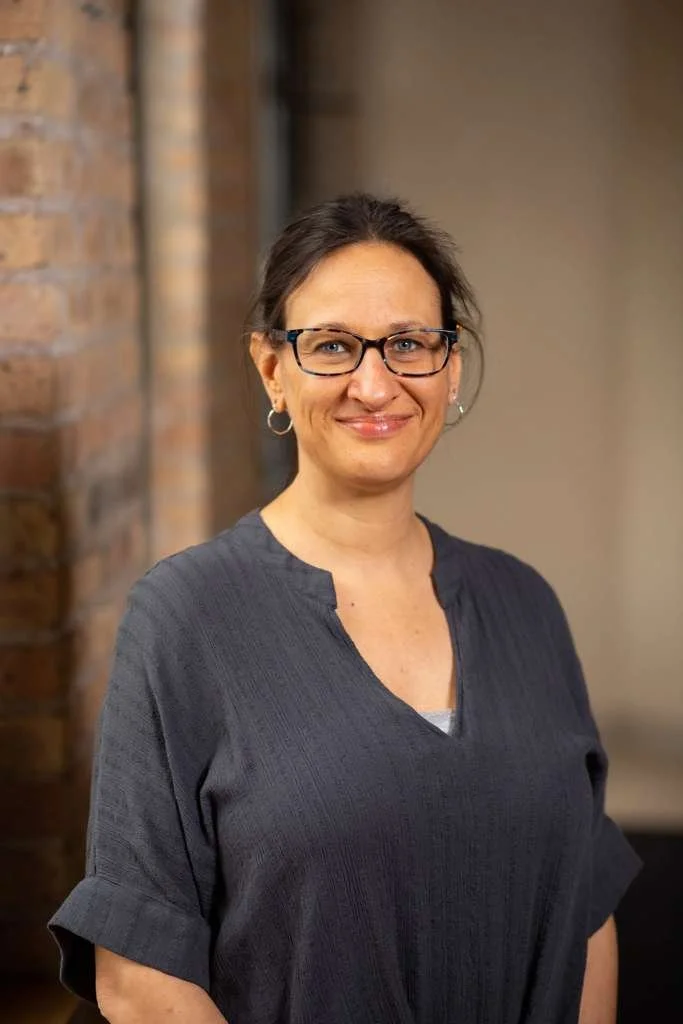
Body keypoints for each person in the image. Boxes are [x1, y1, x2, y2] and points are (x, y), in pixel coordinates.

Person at [49, 193, 641, 1024]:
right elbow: (138, 976)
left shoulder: (524, 605)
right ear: (271, 370)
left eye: (408, 344)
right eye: (331, 346)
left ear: (450, 368)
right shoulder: (186, 615)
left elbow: (586, 909)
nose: (374, 383)